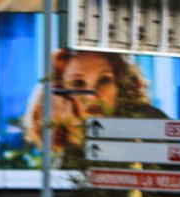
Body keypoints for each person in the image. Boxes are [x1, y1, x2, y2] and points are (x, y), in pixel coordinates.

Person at [24, 49, 164, 158]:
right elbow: (72, 189)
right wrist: (74, 130)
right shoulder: (76, 139)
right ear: (60, 96)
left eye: (104, 80)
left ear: (120, 86)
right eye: (78, 83)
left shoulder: (150, 120)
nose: (92, 96)